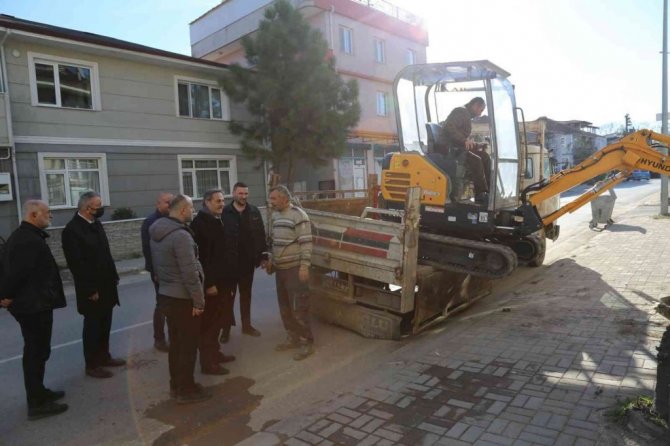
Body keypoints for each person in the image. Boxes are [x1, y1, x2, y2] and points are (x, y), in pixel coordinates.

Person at [0, 200, 68, 420]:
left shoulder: (29, 236)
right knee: (35, 352)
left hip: (36, 303)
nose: (50, 216)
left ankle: (39, 392)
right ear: (33, 214)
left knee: (39, 351)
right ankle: (36, 403)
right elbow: (16, 274)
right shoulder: (26, 240)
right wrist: (6, 296)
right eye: (47, 213)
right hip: (32, 306)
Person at [149, 194, 210, 404]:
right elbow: (189, 273)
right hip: (183, 299)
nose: (193, 212)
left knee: (176, 345)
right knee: (188, 347)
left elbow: (157, 265)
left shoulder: (157, 230)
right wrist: (199, 301)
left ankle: (176, 385)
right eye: (191, 208)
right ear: (183, 210)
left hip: (167, 294)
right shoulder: (181, 236)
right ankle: (186, 390)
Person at [62, 191, 125, 379]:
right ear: (87, 208)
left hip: (107, 285)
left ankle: (104, 357)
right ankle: (92, 364)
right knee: (93, 327)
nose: (101, 209)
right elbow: (76, 264)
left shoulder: (96, 224)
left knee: (105, 323)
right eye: (98, 206)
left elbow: (105, 253)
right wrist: (90, 289)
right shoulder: (72, 230)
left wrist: (114, 275)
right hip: (92, 289)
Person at [190, 189, 235, 376]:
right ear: (207, 202)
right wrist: (209, 284)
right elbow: (201, 258)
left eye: (223, 200)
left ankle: (215, 354)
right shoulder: (200, 224)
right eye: (218, 201)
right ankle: (208, 364)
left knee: (218, 321)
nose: (222, 204)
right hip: (212, 285)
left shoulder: (216, 219)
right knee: (209, 325)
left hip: (222, 282)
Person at [266, 185, 314, 361]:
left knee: (299, 308)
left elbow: (306, 243)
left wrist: (304, 267)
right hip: (280, 270)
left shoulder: (299, 215)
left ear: (284, 199)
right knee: (285, 307)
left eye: (274, 199)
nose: (271, 202)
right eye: (271, 198)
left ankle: (306, 342)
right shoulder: (275, 215)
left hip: (295, 270)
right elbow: (273, 241)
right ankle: (292, 337)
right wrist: (271, 258)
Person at [220, 182, 268, 343]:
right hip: (229, 264)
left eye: (246, 193)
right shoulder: (224, 212)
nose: (243, 197)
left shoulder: (254, 211)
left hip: (248, 262)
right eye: (240, 193)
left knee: (246, 295)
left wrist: (263, 256)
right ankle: (225, 329)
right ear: (233, 194)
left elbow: (261, 234)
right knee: (228, 297)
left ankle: (246, 326)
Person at [440, 97, 491, 203]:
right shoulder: (460, 112)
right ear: (475, 105)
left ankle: (490, 191)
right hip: (450, 149)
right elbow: (449, 127)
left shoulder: (466, 115)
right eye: (480, 110)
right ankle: (481, 194)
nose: (480, 114)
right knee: (476, 160)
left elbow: (462, 139)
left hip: (459, 148)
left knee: (485, 157)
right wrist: (464, 140)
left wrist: (477, 145)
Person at [141, 192, 174, 352]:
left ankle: (174, 336)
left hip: (172, 269)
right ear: (158, 204)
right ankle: (159, 339)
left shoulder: (172, 219)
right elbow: (148, 250)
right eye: (167, 202)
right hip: (159, 271)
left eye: (172, 202)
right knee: (162, 304)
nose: (170, 205)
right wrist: (155, 272)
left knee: (173, 304)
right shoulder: (151, 222)